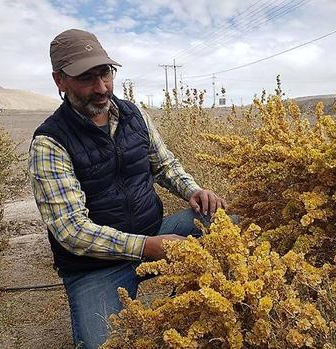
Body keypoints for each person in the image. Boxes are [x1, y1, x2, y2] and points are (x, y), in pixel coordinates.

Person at [28, 28, 227, 349]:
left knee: (215, 219)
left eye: (105, 73)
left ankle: (198, 307)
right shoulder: (50, 143)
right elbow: (72, 231)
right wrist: (149, 247)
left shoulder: (134, 114)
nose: (101, 87)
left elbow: (164, 165)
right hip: (95, 267)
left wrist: (193, 191)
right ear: (59, 81)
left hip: (154, 234)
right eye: (86, 78)